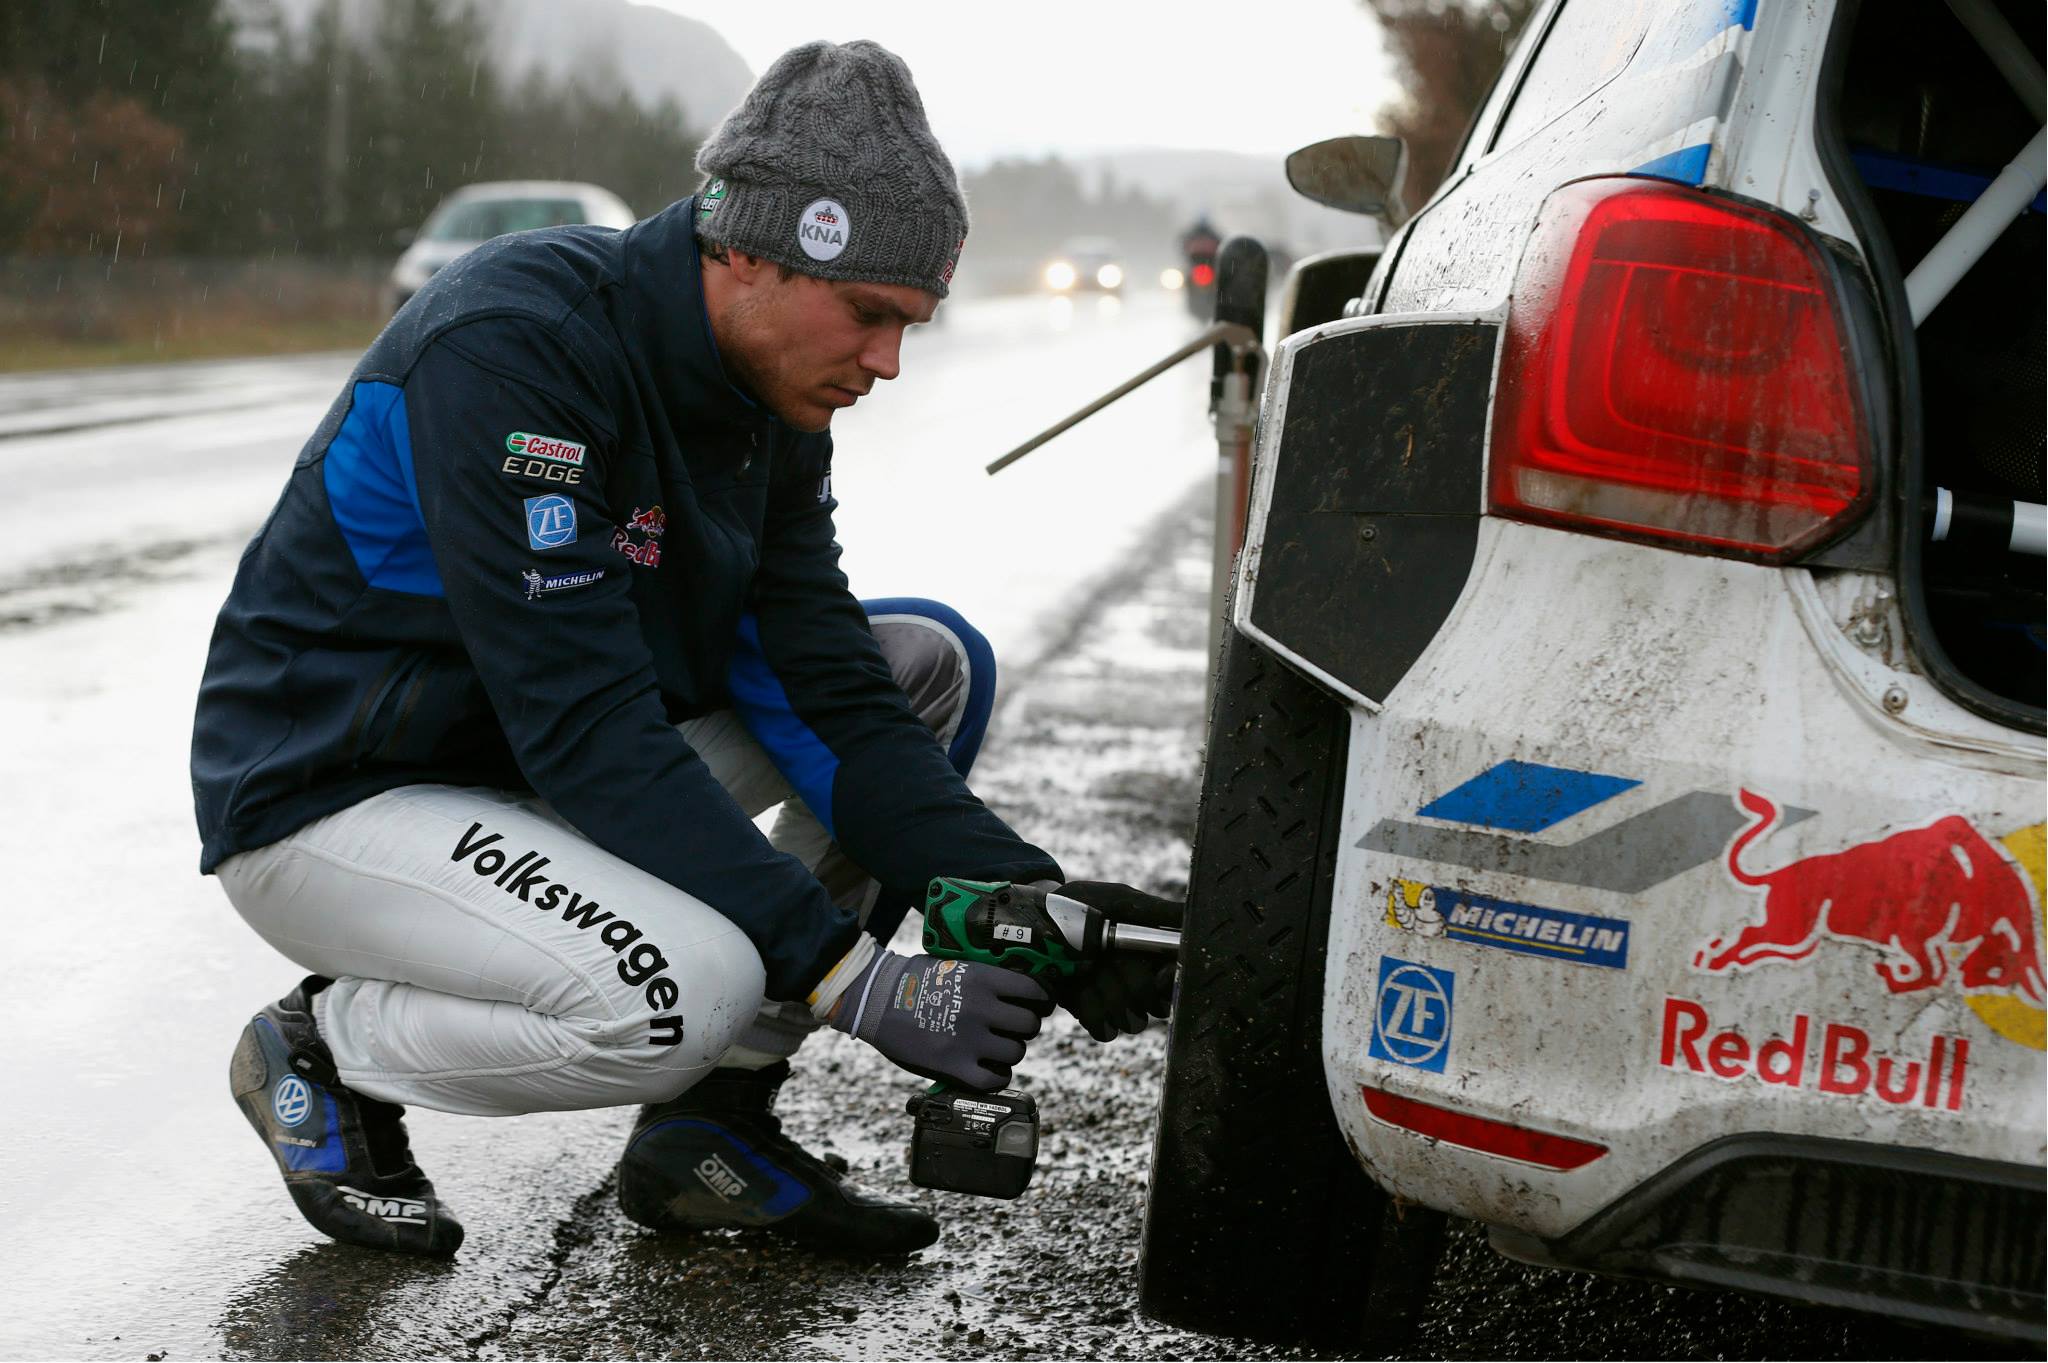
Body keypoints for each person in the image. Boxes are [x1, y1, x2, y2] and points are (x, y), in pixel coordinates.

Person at [191, 39, 1176, 1260]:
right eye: (869, 313)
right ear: (749, 252)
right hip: (337, 797)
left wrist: (1022, 898)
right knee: (686, 990)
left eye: (909, 323)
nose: (886, 361)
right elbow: (586, 724)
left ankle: (712, 1126)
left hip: (534, 771)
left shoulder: (769, 394)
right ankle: (322, 1048)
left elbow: (826, 687)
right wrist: (853, 979)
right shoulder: (515, 345)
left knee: (924, 662)